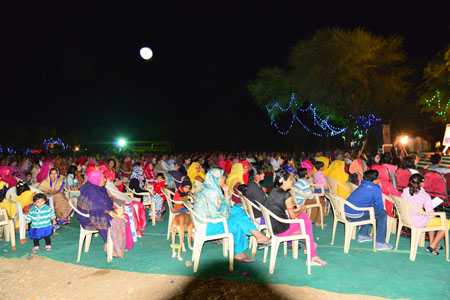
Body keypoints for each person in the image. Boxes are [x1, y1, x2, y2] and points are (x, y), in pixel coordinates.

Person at [194, 168, 271, 263]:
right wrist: (226, 193)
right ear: (216, 179)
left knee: (237, 210)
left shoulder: (208, 188)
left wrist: (227, 195)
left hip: (203, 223)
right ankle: (242, 251)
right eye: (222, 177)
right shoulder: (213, 193)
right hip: (208, 227)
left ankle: (257, 237)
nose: (224, 179)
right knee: (236, 221)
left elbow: (224, 208)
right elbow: (226, 214)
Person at [265, 170, 327, 266]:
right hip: (282, 230)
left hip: (273, 227)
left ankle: (309, 245)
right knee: (306, 224)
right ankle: (312, 255)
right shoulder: (286, 195)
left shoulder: (274, 191)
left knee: (305, 221)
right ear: (284, 182)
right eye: (290, 180)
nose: (292, 182)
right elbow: (292, 216)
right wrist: (301, 209)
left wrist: (298, 210)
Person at [77, 169, 128, 258]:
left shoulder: (98, 188)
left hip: (97, 213)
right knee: (115, 222)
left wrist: (111, 212)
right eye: (103, 178)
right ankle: (110, 246)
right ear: (96, 179)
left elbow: (104, 204)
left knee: (121, 219)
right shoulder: (91, 191)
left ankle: (117, 246)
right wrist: (110, 213)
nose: (105, 180)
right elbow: (95, 208)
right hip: (88, 218)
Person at [401, 173, 450, 255]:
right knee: (446, 222)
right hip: (418, 221)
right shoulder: (425, 195)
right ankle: (432, 246)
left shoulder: (405, 191)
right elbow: (430, 215)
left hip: (406, 218)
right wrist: (432, 212)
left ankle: (432, 242)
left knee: (431, 220)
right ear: (421, 183)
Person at [345, 170, 393, 250]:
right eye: (378, 178)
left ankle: (363, 235)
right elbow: (379, 206)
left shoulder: (362, 184)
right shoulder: (376, 188)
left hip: (346, 213)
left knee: (369, 209)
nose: (379, 180)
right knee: (382, 213)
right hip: (356, 215)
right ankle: (380, 243)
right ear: (374, 180)